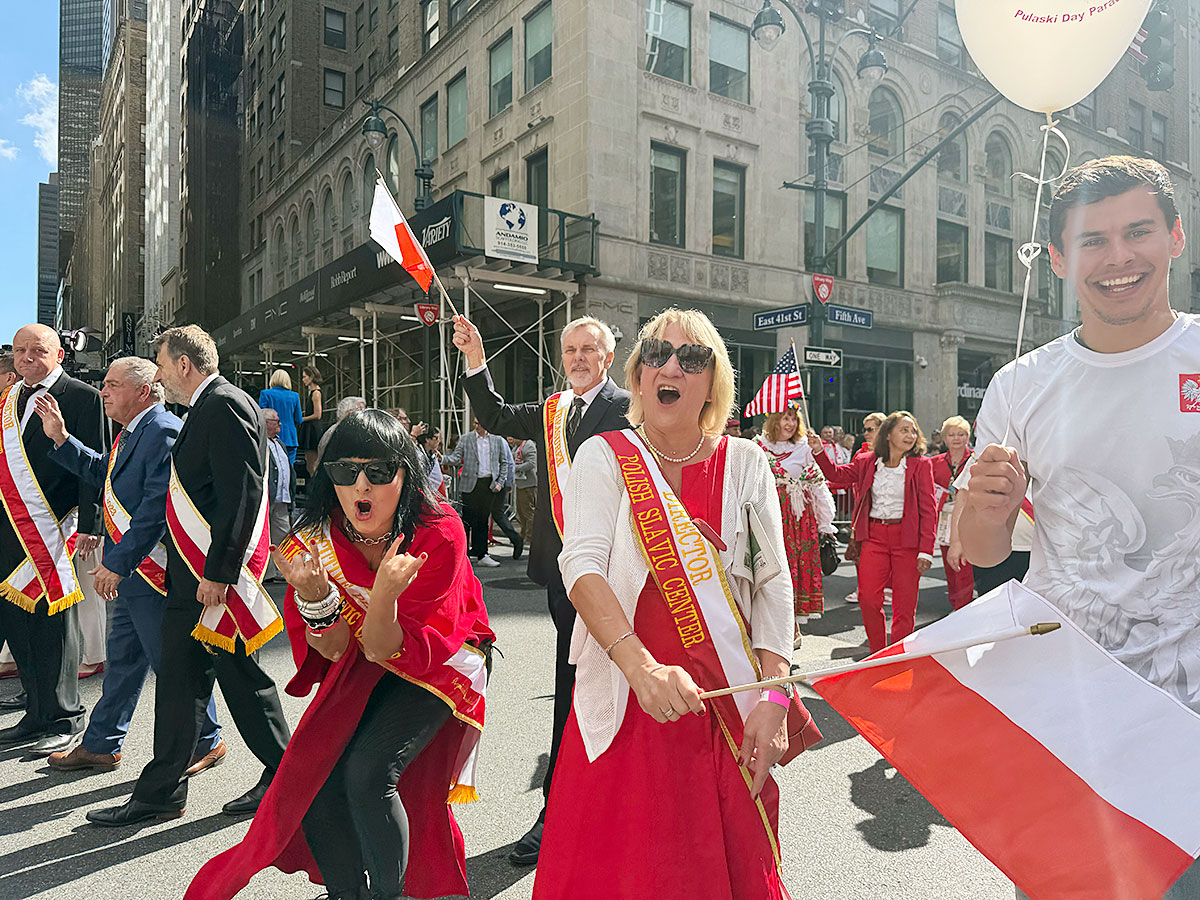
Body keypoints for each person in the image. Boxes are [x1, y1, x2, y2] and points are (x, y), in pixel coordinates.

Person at [957, 156, 1200, 898]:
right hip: (1072, 717)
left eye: (1138, 232)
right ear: (1060, 259)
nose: (1118, 257)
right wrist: (987, 510)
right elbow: (982, 553)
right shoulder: (1020, 385)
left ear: (1176, 237)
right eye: (1093, 240)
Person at [534, 307, 796, 899]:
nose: (670, 367)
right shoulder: (603, 455)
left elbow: (773, 584)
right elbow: (580, 565)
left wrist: (776, 695)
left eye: (691, 357)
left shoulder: (746, 462)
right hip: (629, 697)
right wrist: (641, 668)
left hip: (726, 703)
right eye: (656, 354)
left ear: (713, 381)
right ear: (637, 375)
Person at [183, 409, 493, 900]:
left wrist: (385, 595)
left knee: (369, 773)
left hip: (437, 660)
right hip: (362, 659)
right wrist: (315, 599)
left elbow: (393, 647)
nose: (361, 486)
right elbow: (333, 650)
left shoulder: (439, 530)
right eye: (345, 472)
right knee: (315, 776)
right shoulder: (312, 542)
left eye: (378, 471)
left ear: (405, 474)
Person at [87, 325, 291, 827]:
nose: (158, 376)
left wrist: (219, 573)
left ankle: (290, 776)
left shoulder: (224, 404)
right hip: (190, 580)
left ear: (184, 364)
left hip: (212, 581)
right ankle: (162, 792)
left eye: (160, 364)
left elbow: (241, 494)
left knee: (243, 681)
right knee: (179, 683)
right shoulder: (204, 407)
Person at [453, 313, 631, 865]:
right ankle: (556, 812)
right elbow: (495, 414)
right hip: (561, 577)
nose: (578, 358)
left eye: (589, 349)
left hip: (616, 575)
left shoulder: (630, 409)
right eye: (570, 350)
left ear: (608, 357)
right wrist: (476, 358)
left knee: (616, 693)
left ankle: (609, 809)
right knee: (570, 688)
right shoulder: (553, 410)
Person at [32, 357, 224, 774]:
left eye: (112, 384)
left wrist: (117, 564)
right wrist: (62, 438)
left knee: (172, 664)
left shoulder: (163, 431)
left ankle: (207, 740)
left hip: (152, 571)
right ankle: (102, 743)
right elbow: (105, 473)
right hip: (134, 572)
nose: (103, 391)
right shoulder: (135, 430)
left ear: (142, 391)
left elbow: (155, 510)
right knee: (123, 662)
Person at [0, 325, 105, 756]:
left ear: (59, 355)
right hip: (8, 526)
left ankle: (64, 717)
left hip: (53, 528)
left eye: (37, 350)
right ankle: (36, 713)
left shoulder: (82, 396)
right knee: (18, 625)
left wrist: (92, 525)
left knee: (54, 627)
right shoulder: (9, 398)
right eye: (19, 350)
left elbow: (95, 463)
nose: (26, 357)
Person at [810, 412, 936, 653]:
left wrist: (926, 550)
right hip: (874, 537)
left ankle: (897, 655)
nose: (910, 435)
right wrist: (818, 451)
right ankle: (878, 652)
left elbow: (929, 510)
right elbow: (837, 475)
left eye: (913, 431)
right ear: (888, 434)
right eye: (904, 430)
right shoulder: (867, 461)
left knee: (904, 605)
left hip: (907, 539)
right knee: (867, 598)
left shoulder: (921, 465)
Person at [756, 406, 836, 644]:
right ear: (774, 421)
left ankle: (792, 627)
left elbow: (819, 487)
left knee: (796, 572)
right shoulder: (759, 447)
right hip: (771, 516)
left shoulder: (804, 449)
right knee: (772, 571)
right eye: (785, 418)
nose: (790, 424)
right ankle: (775, 627)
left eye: (794, 419)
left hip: (800, 522)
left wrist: (826, 523)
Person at [441, 419, 516, 566]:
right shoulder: (466, 439)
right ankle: (463, 553)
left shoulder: (497, 440)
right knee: (468, 519)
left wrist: (500, 483)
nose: (477, 427)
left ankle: (483, 554)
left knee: (483, 520)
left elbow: (504, 462)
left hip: (488, 484)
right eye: (475, 424)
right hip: (470, 484)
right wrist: (442, 458)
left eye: (480, 424)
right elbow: (456, 458)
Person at [930, 415, 974, 610]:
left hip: (968, 517)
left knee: (964, 564)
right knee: (949, 564)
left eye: (961, 434)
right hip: (944, 519)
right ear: (944, 438)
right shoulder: (934, 463)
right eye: (952, 434)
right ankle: (955, 604)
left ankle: (962, 607)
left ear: (968, 437)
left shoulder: (975, 460)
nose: (956, 438)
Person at [263, 408, 296, 583]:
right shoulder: (260, 442)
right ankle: (267, 572)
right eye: (276, 421)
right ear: (266, 423)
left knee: (284, 535)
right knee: (265, 535)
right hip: (268, 497)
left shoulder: (279, 443)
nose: (280, 424)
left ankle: (285, 570)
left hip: (282, 497)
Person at [258, 369, 303, 464]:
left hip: (271, 436)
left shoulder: (265, 394)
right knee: (289, 467)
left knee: (271, 465)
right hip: (290, 438)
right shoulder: (295, 396)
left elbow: (262, 416)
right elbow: (298, 419)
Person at [298, 365, 326, 476]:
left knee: (312, 461)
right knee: (309, 460)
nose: (303, 379)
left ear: (311, 377)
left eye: (305, 377)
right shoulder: (314, 392)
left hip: (312, 429)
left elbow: (318, 414)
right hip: (311, 428)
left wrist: (302, 419)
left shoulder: (316, 393)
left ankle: (314, 482)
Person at [509, 435, 537, 544]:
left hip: (528, 484)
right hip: (520, 483)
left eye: (514, 437)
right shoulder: (517, 447)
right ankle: (523, 533)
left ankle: (530, 536)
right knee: (520, 511)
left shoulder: (528, 445)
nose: (512, 439)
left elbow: (531, 463)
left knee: (528, 512)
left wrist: (516, 468)